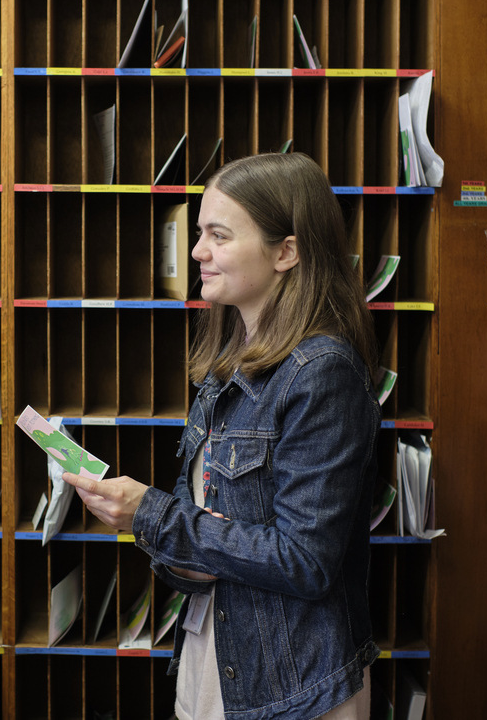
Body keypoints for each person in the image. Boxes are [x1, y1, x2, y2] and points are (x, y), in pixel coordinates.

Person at [63, 152, 382, 719]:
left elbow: (306, 561)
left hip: (293, 686)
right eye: (199, 232)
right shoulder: (230, 362)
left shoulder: (321, 373)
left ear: (287, 251)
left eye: (218, 235)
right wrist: (151, 526)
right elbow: (215, 519)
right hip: (217, 655)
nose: (196, 252)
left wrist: (154, 517)